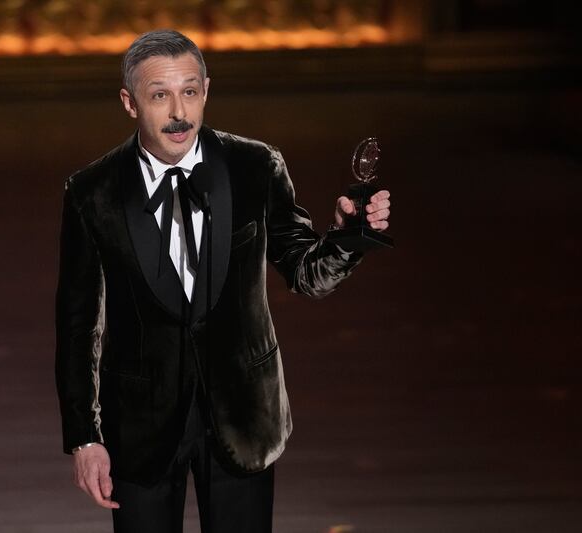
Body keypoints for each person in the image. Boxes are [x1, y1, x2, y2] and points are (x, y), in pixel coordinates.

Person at [55, 29, 391, 533]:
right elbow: (78, 326)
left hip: (243, 417)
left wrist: (347, 237)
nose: (178, 113)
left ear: (206, 90)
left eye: (189, 92)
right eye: (159, 95)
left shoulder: (254, 166)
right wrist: (85, 437)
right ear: (129, 102)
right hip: (140, 426)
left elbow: (306, 274)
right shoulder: (92, 192)